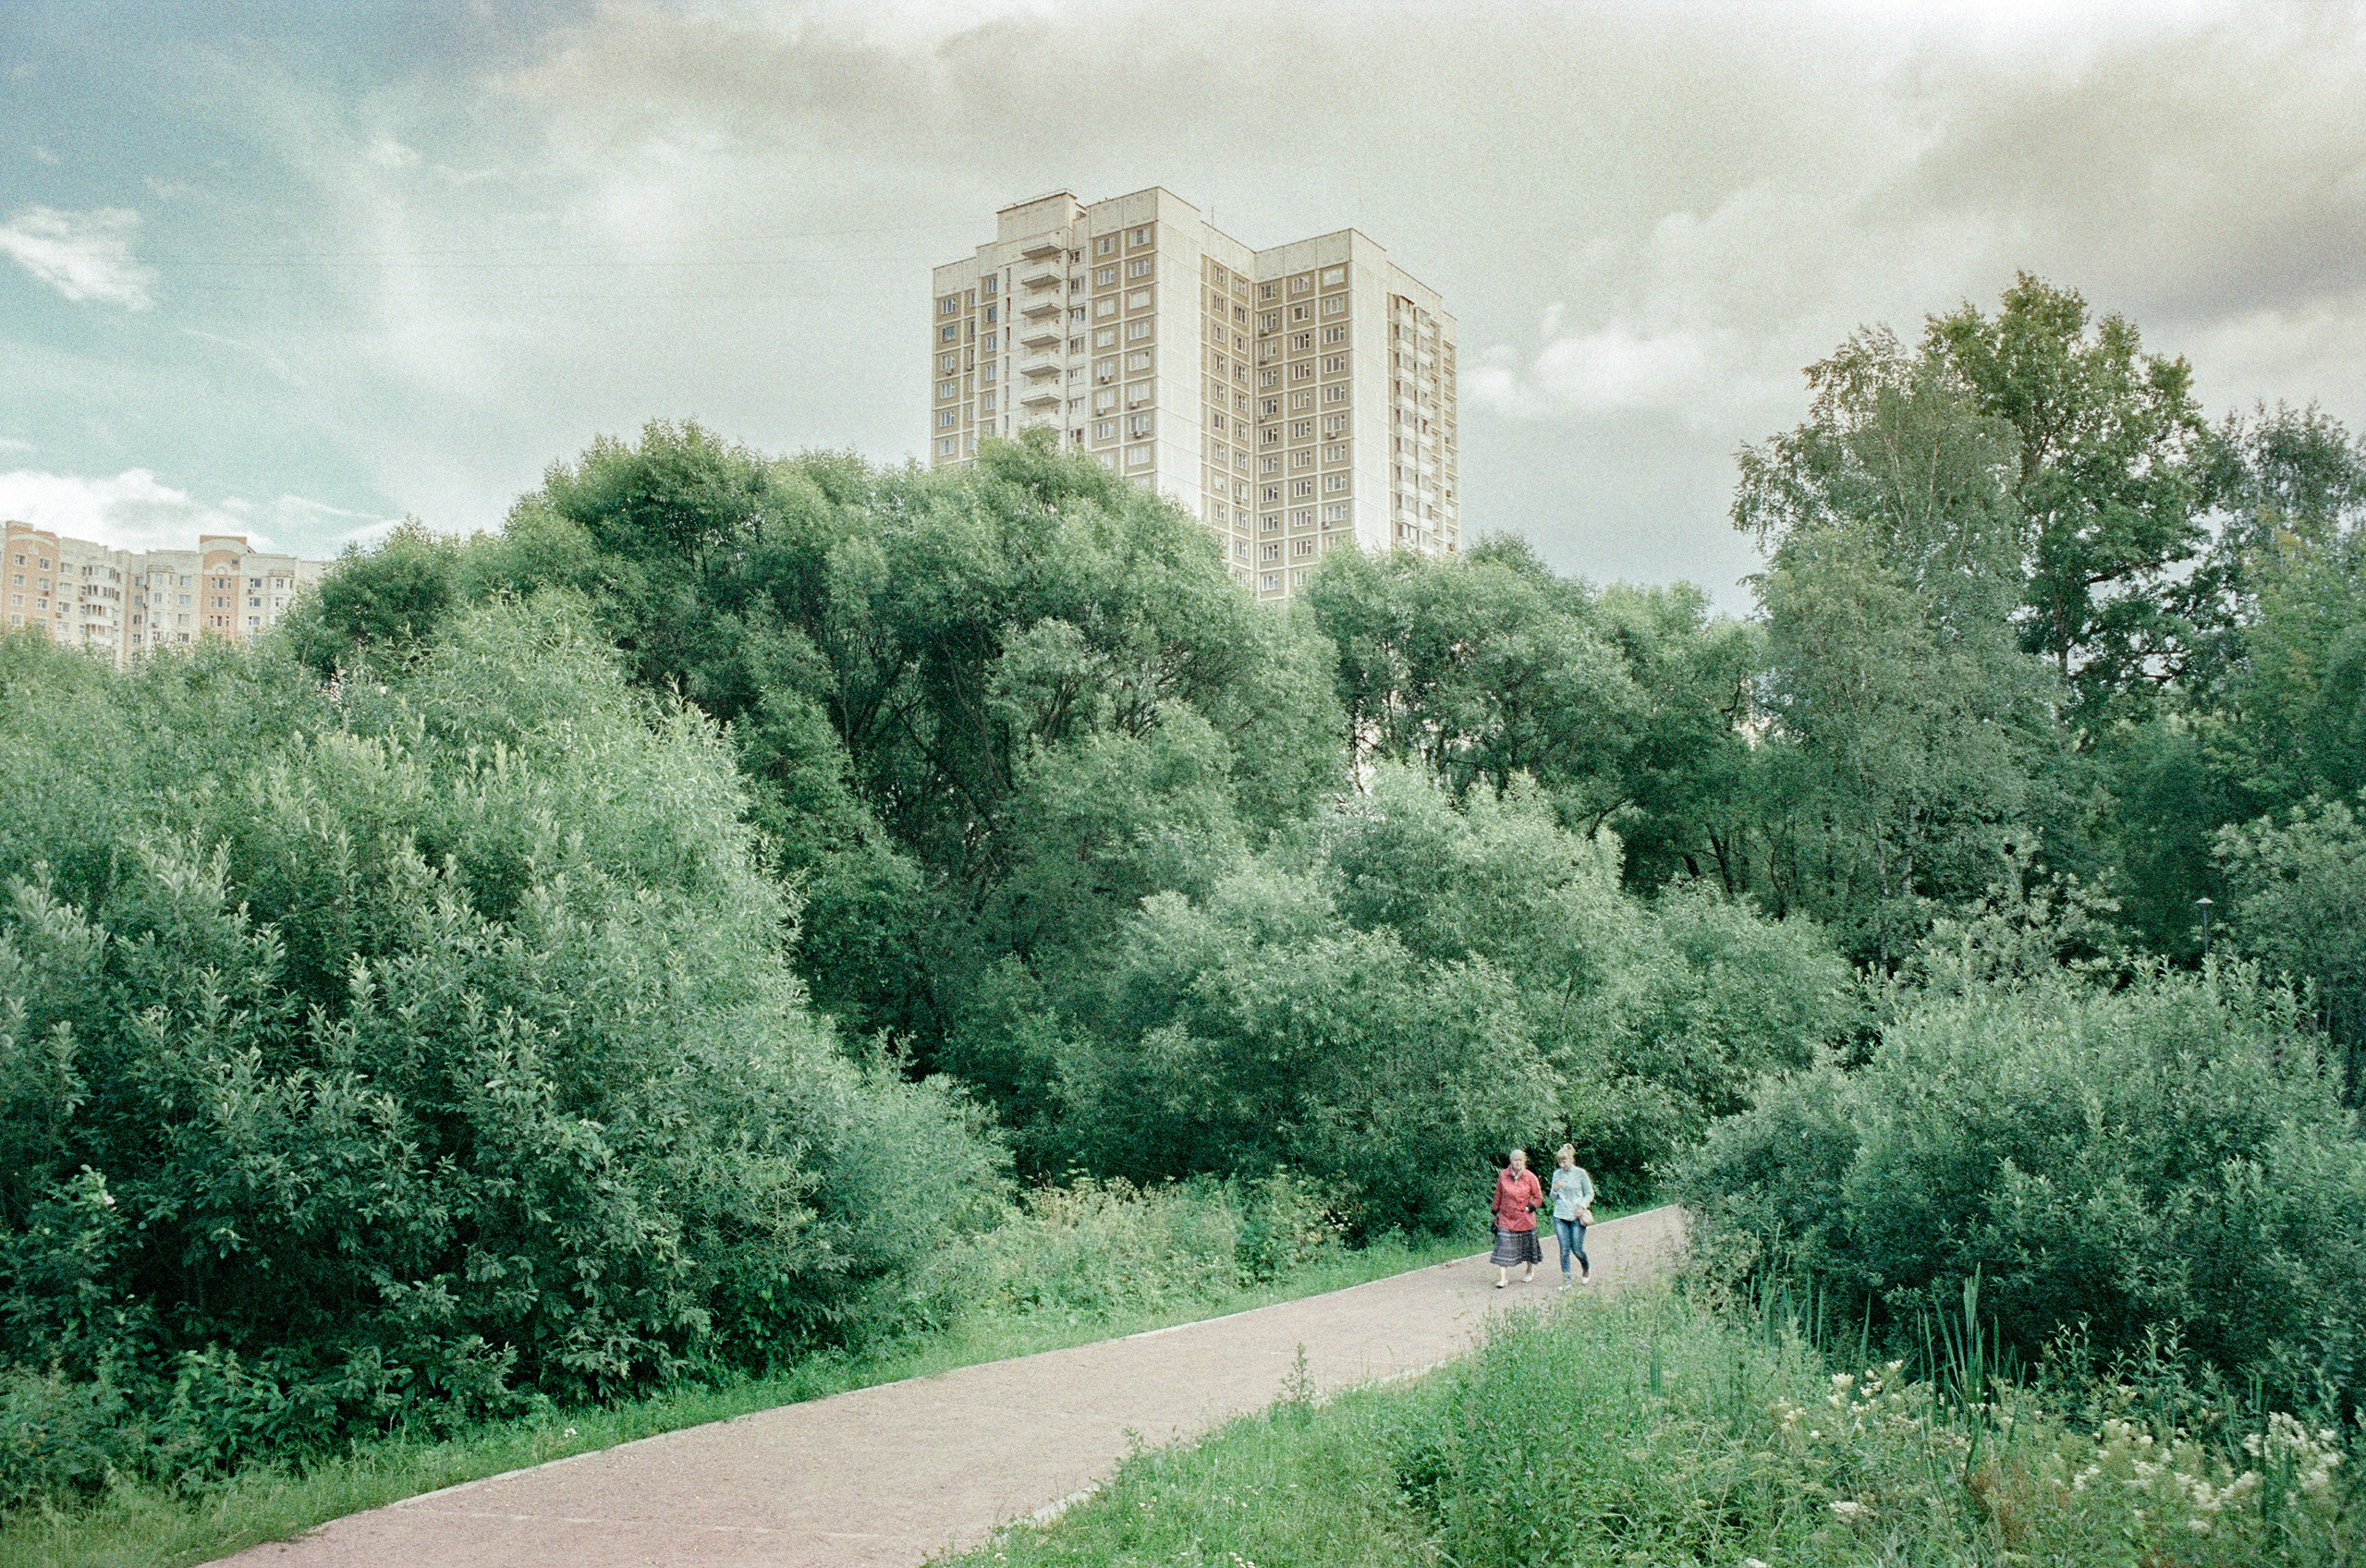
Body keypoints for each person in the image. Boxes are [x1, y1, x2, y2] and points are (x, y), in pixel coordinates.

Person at [1490, 1148, 1544, 1288]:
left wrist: (1530, 1207)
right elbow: (1498, 1194)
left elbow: (1538, 1197)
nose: (1518, 1162)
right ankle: (1503, 1278)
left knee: (1528, 1246)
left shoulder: (1530, 1177)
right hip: (1506, 1217)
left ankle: (1529, 1270)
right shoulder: (1503, 1175)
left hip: (1524, 1217)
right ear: (1511, 1161)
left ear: (1524, 1161)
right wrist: (1494, 1211)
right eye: (1515, 1160)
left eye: (1520, 1160)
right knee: (1503, 1245)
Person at [1549, 1144, 1594, 1288]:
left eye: (1565, 1161)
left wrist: (1582, 1206)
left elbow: (1589, 1193)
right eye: (1560, 1162)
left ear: (1571, 1159)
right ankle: (1567, 1280)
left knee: (1577, 1249)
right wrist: (1555, 1190)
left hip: (1576, 1215)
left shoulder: (1580, 1173)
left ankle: (1586, 1268)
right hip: (1560, 1215)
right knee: (1564, 1250)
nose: (1562, 1165)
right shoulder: (1557, 1174)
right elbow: (1552, 1197)